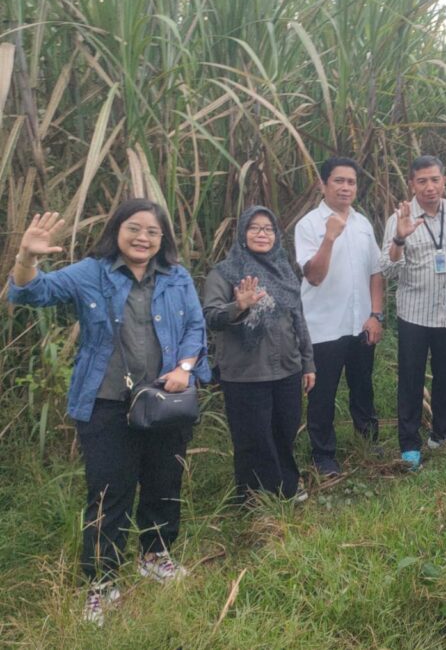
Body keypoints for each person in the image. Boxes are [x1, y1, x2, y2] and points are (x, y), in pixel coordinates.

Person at [7, 200, 210, 626]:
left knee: (164, 482)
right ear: (117, 230)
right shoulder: (91, 273)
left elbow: (196, 326)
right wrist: (26, 258)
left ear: (162, 239)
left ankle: (155, 556)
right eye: (134, 228)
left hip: (164, 401)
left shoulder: (176, 276)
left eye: (152, 231)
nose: (142, 238)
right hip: (106, 403)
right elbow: (29, 293)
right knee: (108, 493)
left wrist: (185, 367)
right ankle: (101, 584)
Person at [203, 206, 315, 502]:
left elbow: (298, 319)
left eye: (268, 228)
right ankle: (255, 498)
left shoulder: (284, 270)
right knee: (253, 438)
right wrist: (238, 306)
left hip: (287, 367)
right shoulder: (224, 273)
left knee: (284, 432)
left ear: (276, 235)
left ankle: (287, 487)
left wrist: (308, 363)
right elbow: (211, 317)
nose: (262, 234)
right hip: (245, 373)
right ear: (242, 233)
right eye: (254, 228)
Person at [381, 155, 446, 470]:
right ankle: (409, 445)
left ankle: (443, 432)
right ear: (412, 184)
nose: (429, 187)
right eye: (422, 181)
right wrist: (400, 238)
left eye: (435, 179)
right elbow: (388, 270)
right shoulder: (400, 218)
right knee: (411, 379)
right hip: (415, 314)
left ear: (444, 180)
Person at [294, 157, 385, 477]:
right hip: (324, 327)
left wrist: (376, 315)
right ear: (323, 184)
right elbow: (314, 276)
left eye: (351, 182)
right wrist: (329, 237)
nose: (346, 187)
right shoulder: (308, 225)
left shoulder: (363, 224)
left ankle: (368, 441)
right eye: (338, 181)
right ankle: (323, 455)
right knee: (322, 394)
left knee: (363, 386)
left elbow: (375, 272)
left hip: (360, 323)